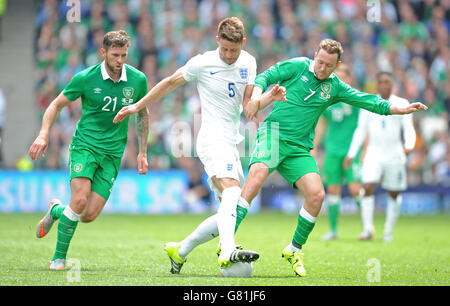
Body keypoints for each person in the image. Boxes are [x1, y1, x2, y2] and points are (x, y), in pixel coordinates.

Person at [243, 39, 427, 277]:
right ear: (314, 55)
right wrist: (256, 99)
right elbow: (265, 77)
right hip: (276, 134)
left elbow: (368, 101)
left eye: (329, 65)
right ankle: (226, 243)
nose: (322, 68)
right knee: (256, 179)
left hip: (305, 147)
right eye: (320, 62)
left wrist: (399, 109)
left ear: (337, 64)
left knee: (319, 195)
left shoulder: (335, 87)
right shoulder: (299, 66)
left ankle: (295, 249)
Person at [114, 17, 284, 272]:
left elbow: (249, 108)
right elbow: (170, 82)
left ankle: (180, 250)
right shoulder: (202, 62)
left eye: (233, 50)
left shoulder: (248, 62)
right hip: (211, 138)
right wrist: (139, 105)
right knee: (232, 192)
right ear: (217, 41)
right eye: (224, 48)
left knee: (233, 209)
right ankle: (227, 248)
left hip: (231, 141)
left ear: (243, 44)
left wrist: (269, 97)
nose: (228, 55)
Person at [29, 30, 149, 270]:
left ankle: (56, 210)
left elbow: (142, 115)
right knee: (80, 199)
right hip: (85, 146)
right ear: (103, 52)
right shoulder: (85, 78)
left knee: (88, 214)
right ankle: (59, 258)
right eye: (115, 55)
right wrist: (43, 134)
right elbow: (56, 105)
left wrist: (142, 151)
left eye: (124, 55)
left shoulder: (138, 80)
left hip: (113, 153)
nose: (120, 61)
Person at [344, 71, 417, 242]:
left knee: (393, 193)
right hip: (374, 152)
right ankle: (367, 229)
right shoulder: (369, 102)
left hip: (394, 153)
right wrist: (351, 153)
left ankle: (388, 231)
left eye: (387, 81)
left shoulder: (402, 103)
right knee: (367, 187)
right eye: (381, 81)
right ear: (377, 84)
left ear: (392, 84)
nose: (384, 84)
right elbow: (360, 130)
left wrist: (409, 145)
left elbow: (408, 127)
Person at [312, 64, 364, 241]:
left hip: (352, 151)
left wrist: (364, 149)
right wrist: (315, 146)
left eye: (343, 76)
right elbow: (322, 124)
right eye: (337, 76)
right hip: (333, 151)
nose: (339, 80)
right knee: (333, 189)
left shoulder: (356, 98)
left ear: (349, 79)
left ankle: (368, 226)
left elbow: (365, 127)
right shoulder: (328, 99)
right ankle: (333, 230)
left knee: (355, 188)